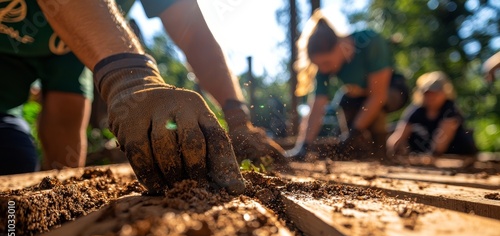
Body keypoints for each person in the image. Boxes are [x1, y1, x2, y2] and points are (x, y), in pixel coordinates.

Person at [0, 0, 287, 193]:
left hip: (69, 48)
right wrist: (132, 78)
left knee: (44, 164)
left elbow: (194, 35)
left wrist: (237, 118)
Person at [287, 10, 407, 161]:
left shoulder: (370, 41)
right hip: (362, 98)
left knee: (373, 107)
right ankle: (358, 149)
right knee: (344, 99)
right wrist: (303, 146)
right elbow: (317, 106)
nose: (323, 69)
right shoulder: (323, 67)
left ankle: (382, 152)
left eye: (326, 63)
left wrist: (354, 132)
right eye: (319, 65)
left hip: (394, 91)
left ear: (340, 44)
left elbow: (378, 95)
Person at [386, 71, 477, 158]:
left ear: (444, 92)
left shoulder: (450, 110)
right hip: (430, 153)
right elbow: (398, 136)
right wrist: (391, 151)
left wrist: (426, 157)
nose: (431, 96)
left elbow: (440, 146)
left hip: (458, 153)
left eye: (435, 92)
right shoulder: (417, 109)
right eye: (427, 93)